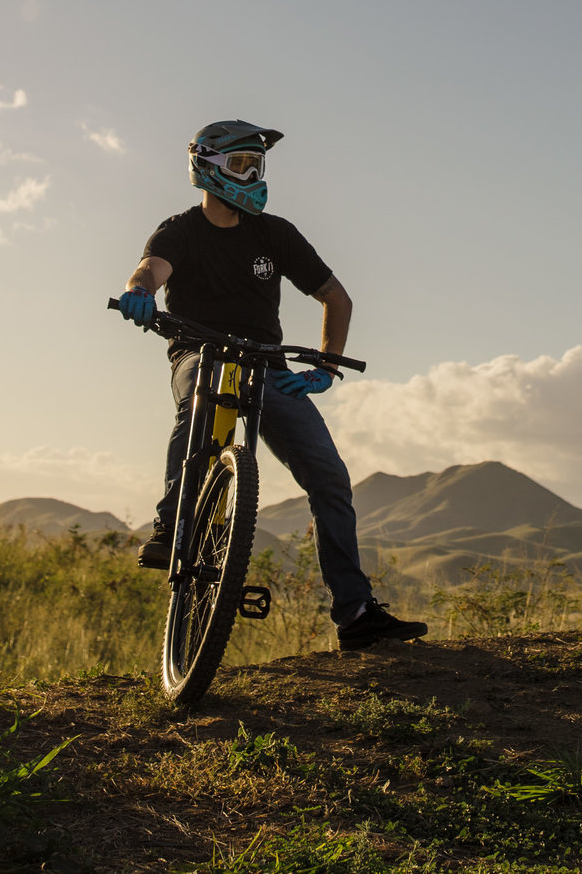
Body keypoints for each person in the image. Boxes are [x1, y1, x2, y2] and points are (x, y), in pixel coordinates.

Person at [117, 120, 428, 650]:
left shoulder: (275, 234)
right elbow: (149, 270)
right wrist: (138, 293)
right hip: (200, 351)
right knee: (197, 403)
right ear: (207, 167)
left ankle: (355, 613)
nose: (253, 175)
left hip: (267, 364)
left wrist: (326, 367)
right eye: (242, 165)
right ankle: (173, 526)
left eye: (257, 166)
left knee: (329, 479)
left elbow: (337, 298)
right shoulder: (180, 231)